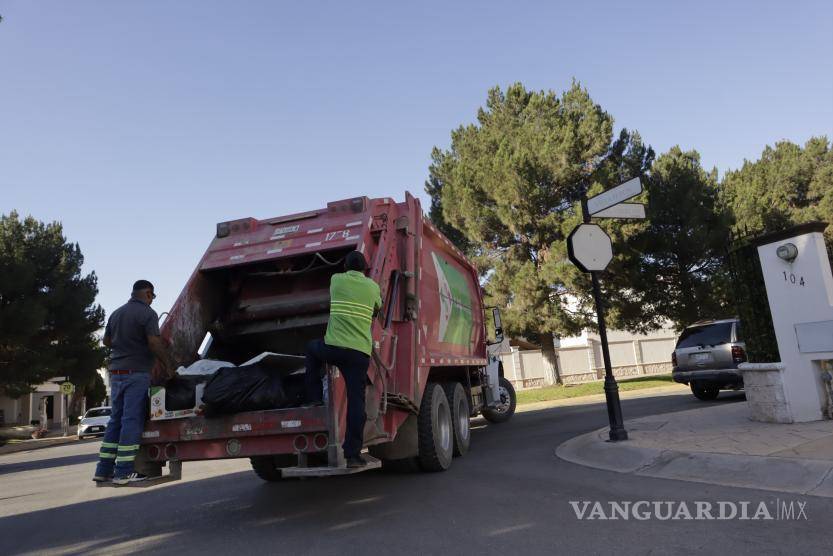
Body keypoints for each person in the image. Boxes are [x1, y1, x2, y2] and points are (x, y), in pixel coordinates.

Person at [93, 280, 176, 485]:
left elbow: (106, 341)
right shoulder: (147, 313)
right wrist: (168, 366)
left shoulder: (116, 313)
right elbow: (154, 342)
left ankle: (103, 470)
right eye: (152, 296)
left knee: (115, 420)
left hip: (117, 373)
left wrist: (125, 345)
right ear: (147, 293)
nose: (152, 300)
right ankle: (123, 472)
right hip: (136, 373)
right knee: (132, 420)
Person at [305, 251, 382, 468]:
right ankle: (353, 455)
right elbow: (379, 306)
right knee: (356, 403)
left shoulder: (336, 280)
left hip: (334, 348)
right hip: (358, 354)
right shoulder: (372, 287)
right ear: (365, 268)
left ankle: (314, 397)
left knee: (311, 349)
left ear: (345, 267)